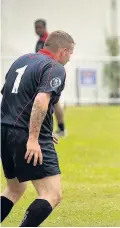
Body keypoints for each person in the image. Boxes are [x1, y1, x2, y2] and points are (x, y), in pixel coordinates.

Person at [1, 30, 75, 226]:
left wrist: (41, 128)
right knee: (52, 194)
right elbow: (41, 101)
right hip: (26, 135)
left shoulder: (22, 60)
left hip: (5, 130)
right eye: (71, 53)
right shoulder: (55, 67)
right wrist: (33, 138)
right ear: (63, 51)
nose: (70, 58)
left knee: (14, 189)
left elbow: (10, 96)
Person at [34, 19, 67, 137]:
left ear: (44, 27)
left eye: (39, 27)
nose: (37, 30)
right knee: (51, 102)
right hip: (43, 74)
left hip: (49, 74)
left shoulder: (48, 41)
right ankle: (59, 128)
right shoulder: (40, 41)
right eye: (36, 28)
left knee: (52, 102)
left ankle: (61, 128)